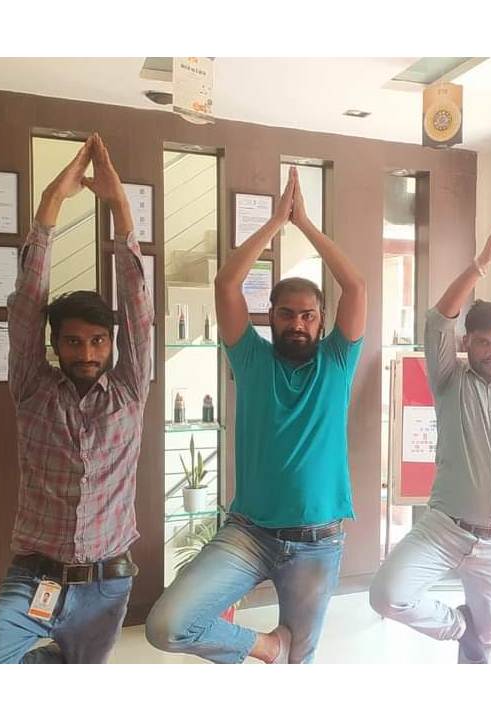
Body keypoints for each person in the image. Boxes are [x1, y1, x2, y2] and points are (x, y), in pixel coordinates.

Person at [146, 167, 366, 663]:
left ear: (321, 321)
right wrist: (275, 223)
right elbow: (227, 282)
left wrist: (305, 225)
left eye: (308, 314)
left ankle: (284, 653)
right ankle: (266, 646)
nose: (297, 323)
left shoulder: (336, 362)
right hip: (249, 533)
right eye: (286, 313)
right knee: (167, 624)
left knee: (300, 664)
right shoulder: (251, 359)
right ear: (269, 316)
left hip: (317, 542)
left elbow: (355, 287)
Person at [0, 135, 152, 663]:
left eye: (98, 341)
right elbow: (27, 304)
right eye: (73, 342)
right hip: (35, 578)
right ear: (55, 345)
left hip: (107, 585)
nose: (87, 352)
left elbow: (138, 306)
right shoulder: (33, 386)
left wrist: (120, 208)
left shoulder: (129, 390)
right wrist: (50, 204)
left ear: (112, 344)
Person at [369, 212, 491, 663]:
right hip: (445, 528)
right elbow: (438, 320)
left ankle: (473, 642)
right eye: (483, 342)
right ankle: (459, 626)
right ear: (466, 342)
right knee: (388, 595)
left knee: (485, 648)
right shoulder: (449, 380)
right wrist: (480, 264)